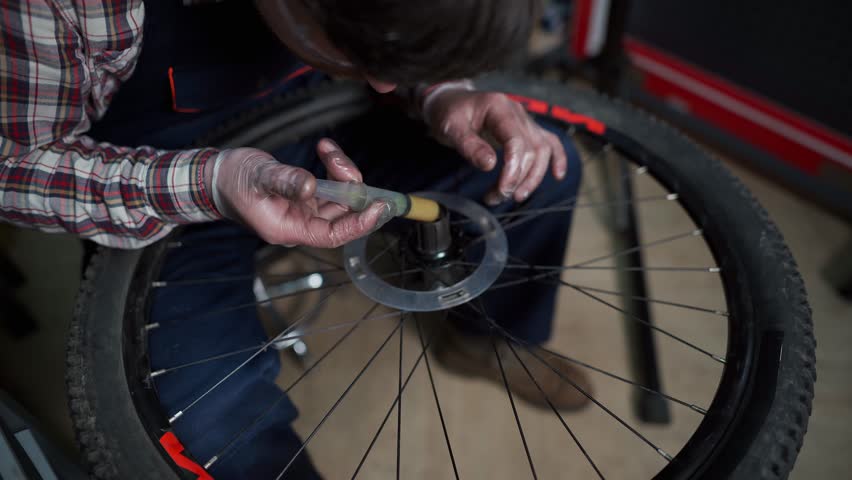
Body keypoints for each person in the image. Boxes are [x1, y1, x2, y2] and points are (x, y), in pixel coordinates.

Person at [1, 0, 591, 477]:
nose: (387, 82)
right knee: (207, 427)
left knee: (540, 174)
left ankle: (488, 339)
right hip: (164, 184)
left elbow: (403, 42)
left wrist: (442, 89)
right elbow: (14, 164)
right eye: (358, 50)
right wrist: (209, 184)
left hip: (329, 125)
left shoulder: (371, 67)